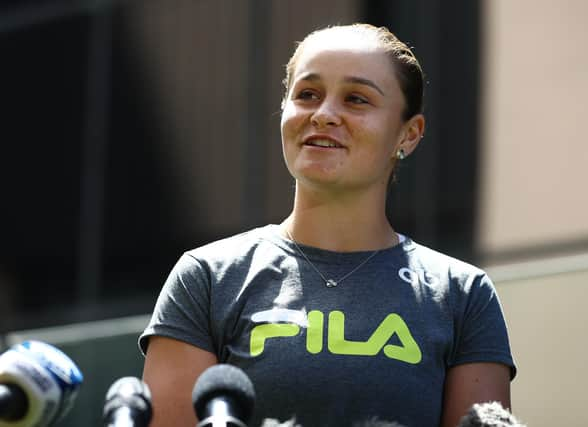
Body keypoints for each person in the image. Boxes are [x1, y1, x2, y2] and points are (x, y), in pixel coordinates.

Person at [139, 23, 516, 427]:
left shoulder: (463, 295)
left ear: (408, 135)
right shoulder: (207, 278)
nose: (324, 114)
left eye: (356, 99)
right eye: (307, 95)